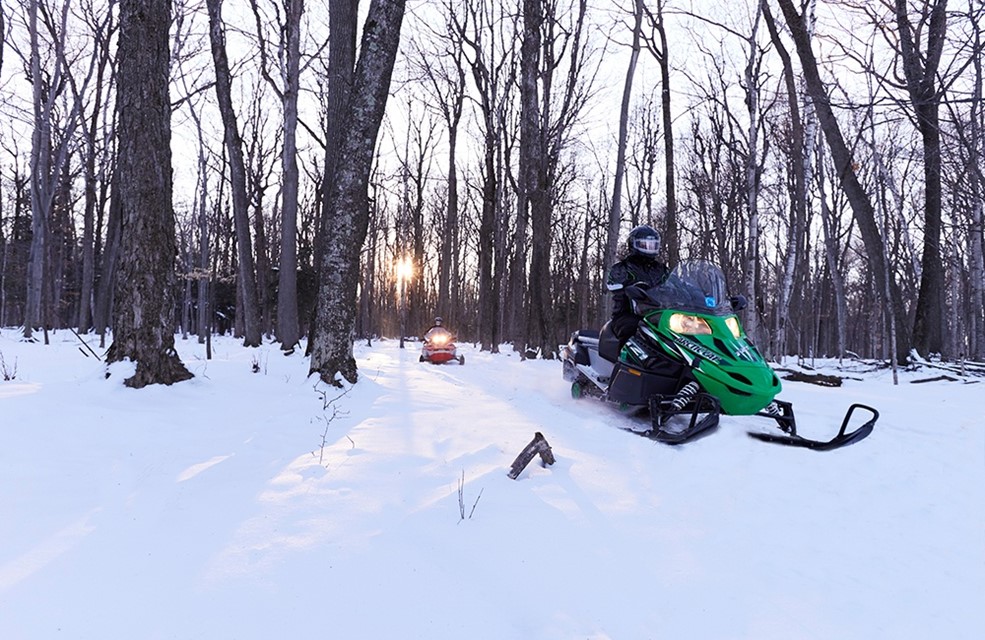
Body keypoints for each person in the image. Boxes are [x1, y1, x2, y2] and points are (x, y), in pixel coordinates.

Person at [606, 224, 670, 341]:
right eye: (644, 244)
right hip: (628, 314)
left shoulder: (661, 269)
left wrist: (694, 292)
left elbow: (675, 284)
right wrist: (631, 289)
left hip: (659, 314)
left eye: (652, 245)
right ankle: (623, 358)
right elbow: (614, 285)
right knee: (633, 328)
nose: (649, 248)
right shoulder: (622, 267)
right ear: (633, 244)